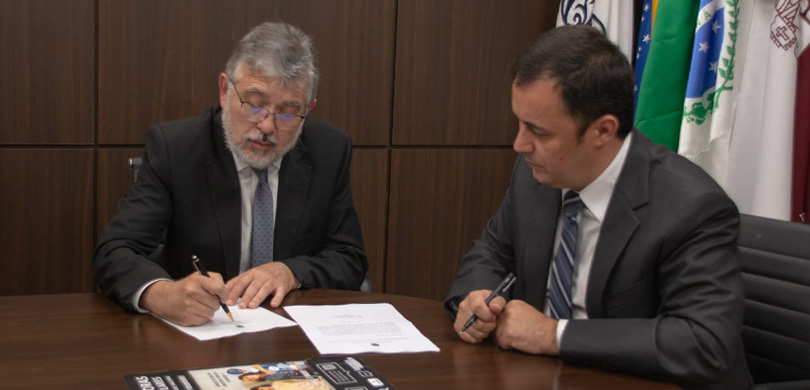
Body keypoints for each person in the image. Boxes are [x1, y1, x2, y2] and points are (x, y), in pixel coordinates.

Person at [444, 25, 750, 390]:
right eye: (519, 124)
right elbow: (490, 253)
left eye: (538, 131)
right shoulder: (535, 177)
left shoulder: (692, 207)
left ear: (603, 131)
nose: (519, 144)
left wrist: (553, 335)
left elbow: (704, 343)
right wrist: (476, 299)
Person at [94, 22, 367, 326]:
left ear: (308, 109)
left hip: (291, 338)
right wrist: (161, 294)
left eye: (288, 112)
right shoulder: (177, 149)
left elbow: (349, 258)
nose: (266, 126)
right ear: (225, 91)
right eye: (254, 105)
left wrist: (291, 272)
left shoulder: (328, 150)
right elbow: (115, 251)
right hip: (199, 335)